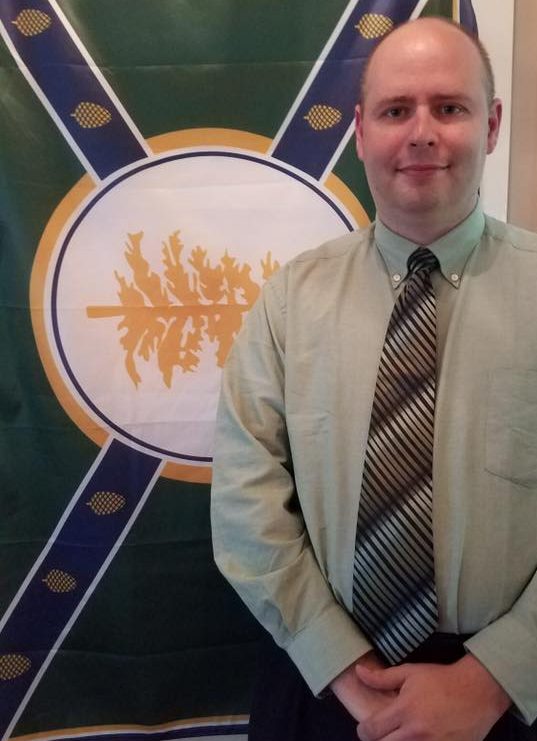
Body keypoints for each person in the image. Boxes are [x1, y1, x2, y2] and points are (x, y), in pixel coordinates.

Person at [211, 16, 537, 741]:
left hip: (510, 700)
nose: (421, 132)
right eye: (396, 110)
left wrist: (494, 678)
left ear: (490, 125)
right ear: (360, 132)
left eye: (448, 107)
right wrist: (345, 672)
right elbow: (244, 498)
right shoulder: (290, 301)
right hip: (320, 682)